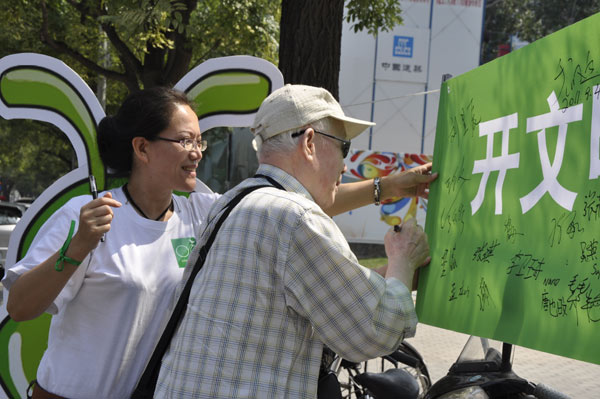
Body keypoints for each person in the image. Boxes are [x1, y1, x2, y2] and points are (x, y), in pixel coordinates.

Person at [2, 86, 434, 399]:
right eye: (184, 140)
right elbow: (21, 307)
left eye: (199, 140)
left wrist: (389, 187)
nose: (197, 151)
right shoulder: (89, 218)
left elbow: (290, 203)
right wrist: (75, 249)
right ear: (142, 148)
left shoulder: (202, 211)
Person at [154, 84, 437, 398]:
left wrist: (389, 190)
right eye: (344, 146)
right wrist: (402, 259)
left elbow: (326, 291)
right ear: (310, 142)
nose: (346, 164)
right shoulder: (296, 217)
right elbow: (375, 331)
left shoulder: (234, 202)